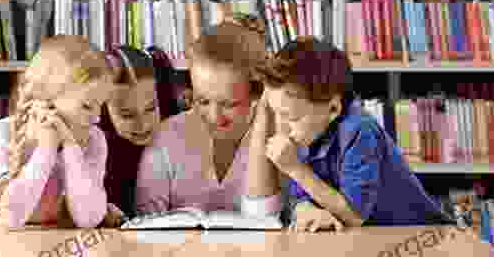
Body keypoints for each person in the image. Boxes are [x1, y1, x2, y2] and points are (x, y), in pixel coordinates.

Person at [252, 36, 453, 232]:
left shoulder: (359, 131)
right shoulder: (307, 133)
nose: (282, 127)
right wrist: (308, 211)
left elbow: (353, 215)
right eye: (276, 113)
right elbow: (301, 197)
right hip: (366, 239)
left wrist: (295, 168)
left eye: (291, 117)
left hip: (420, 237)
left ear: (332, 109)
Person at [0, 35, 116, 228]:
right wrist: (47, 148)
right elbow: (10, 219)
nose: (97, 117)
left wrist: (69, 145)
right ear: (45, 98)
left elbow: (88, 219)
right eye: (87, 106)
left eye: (101, 106)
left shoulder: (94, 139)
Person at [135, 14, 281, 218]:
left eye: (229, 104)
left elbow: (266, 219)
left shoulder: (278, 136)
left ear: (257, 92)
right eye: (202, 101)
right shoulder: (167, 136)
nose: (214, 117)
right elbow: (143, 222)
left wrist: (265, 115)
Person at [98, 45, 178, 224]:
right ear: (103, 110)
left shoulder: (175, 132)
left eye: (150, 108)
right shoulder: (96, 150)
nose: (143, 124)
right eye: (127, 114)